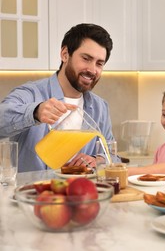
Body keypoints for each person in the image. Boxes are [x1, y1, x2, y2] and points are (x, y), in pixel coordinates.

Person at [0, 23, 118, 172]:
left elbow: (112, 154)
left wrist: (98, 160)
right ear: (65, 54)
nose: (92, 70)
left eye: (99, 63)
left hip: (79, 193)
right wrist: (35, 112)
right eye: (86, 58)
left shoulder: (100, 107)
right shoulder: (31, 93)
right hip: (32, 193)